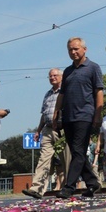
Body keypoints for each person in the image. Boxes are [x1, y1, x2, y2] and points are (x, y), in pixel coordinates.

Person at [52, 38, 103, 198]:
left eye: (76, 49)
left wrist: (97, 114)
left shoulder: (93, 68)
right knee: (76, 152)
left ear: (84, 49)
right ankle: (93, 182)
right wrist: (56, 112)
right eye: (70, 50)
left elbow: (98, 92)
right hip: (68, 116)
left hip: (85, 115)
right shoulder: (67, 71)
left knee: (79, 150)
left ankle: (69, 187)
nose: (73, 52)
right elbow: (62, 93)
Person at [23, 69, 71, 199]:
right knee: (43, 159)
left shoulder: (66, 91)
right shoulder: (48, 94)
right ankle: (36, 188)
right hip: (48, 129)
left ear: (61, 77)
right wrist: (38, 131)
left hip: (62, 130)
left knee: (66, 160)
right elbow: (44, 115)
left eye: (55, 75)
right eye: (50, 76)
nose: (52, 78)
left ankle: (68, 187)